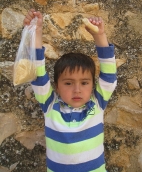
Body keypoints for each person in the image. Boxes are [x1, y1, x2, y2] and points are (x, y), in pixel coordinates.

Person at [23, 9, 117, 172]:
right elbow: (38, 74)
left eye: (84, 83)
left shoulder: (97, 103)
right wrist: (37, 32)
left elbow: (109, 76)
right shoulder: (50, 105)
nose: (77, 90)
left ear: (93, 85)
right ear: (57, 87)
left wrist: (99, 36)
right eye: (68, 83)